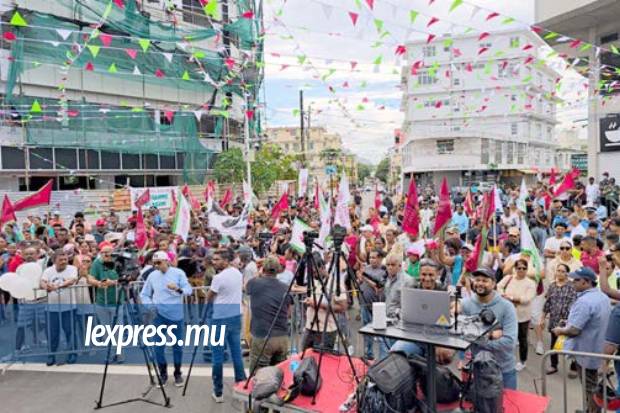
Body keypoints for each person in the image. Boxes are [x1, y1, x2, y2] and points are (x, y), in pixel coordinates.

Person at [552, 267, 611, 413]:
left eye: (576, 280)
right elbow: (589, 320)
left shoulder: (584, 301)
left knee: (590, 389)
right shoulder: (601, 296)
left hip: (587, 353)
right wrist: (569, 321)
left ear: (587, 282)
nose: (572, 283)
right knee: (592, 387)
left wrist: (560, 330)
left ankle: (591, 411)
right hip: (597, 350)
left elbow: (574, 331)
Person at [140, 251, 192, 387]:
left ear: (167, 261)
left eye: (159, 263)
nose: (157, 266)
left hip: (176, 315)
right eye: (154, 263)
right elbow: (144, 294)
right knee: (158, 346)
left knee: (177, 347)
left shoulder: (178, 273)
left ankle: (177, 373)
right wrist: (150, 306)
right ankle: (163, 373)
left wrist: (178, 289)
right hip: (159, 316)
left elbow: (189, 290)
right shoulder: (152, 275)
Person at [461, 267, 518, 389]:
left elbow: (509, 342)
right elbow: (461, 337)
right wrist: (490, 336)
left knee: (508, 406)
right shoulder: (465, 304)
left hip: (503, 369)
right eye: (477, 280)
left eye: (485, 280)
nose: (480, 283)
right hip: (476, 369)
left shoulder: (507, 307)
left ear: (493, 284)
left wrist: (476, 340)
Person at [206, 248, 246, 403]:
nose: (213, 262)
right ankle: (240, 386)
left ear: (226, 260)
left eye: (217, 259)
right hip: (235, 317)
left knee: (218, 357)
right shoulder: (237, 273)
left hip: (220, 319)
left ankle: (218, 391)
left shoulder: (218, 277)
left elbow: (210, 296)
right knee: (237, 354)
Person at [246, 256, 292, 372]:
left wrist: (259, 272)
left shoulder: (254, 283)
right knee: (280, 372)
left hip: (262, 336)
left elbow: (246, 287)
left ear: (263, 268)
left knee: (259, 372)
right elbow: (289, 311)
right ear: (278, 270)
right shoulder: (285, 287)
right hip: (282, 336)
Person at [497, 259, 537, 372]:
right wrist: (503, 295)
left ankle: (523, 361)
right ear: (515, 269)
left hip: (523, 315)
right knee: (505, 336)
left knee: (522, 338)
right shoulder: (509, 278)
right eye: (519, 268)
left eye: (524, 268)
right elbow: (498, 286)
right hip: (507, 314)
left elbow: (527, 298)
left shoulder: (530, 283)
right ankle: (504, 358)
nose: (521, 270)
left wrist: (512, 298)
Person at [40, 250, 78, 366]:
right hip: (51, 308)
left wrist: (57, 286)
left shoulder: (72, 268)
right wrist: (46, 286)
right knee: (52, 333)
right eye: (60, 260)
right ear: (54, 260)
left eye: (65, 259)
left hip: (69, 307)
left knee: (70, 332)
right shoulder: (48, 270)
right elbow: (42, 281)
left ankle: (72, 353)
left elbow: (72, 280)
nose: (63, 262)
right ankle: (51, 354)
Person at [540, 263, 577, 375]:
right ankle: (553, 365)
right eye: (558, 270)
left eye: (563, 271)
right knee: (553, 344)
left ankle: (574, 367)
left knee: (572, 344)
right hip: (554, 321)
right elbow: (548, 303)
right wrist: (542, 318)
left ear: (567, 274)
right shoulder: (552, 286)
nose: (560, 273)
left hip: (568, 321)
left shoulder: (572, 286)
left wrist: (568, 318)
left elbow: (574, 303)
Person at [357, 249, 387, 360]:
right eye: (370, 257)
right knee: (367, 330)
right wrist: (360, 278)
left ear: (380, 258)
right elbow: (360, 281)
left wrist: (364, 277)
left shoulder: (383, 270)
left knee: (380, 333)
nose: (371, 260)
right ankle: (368, 353)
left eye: (374, 257)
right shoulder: (366, 269)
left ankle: (383, 357)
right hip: (364, 303)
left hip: (377, 306)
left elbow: (378, 286)